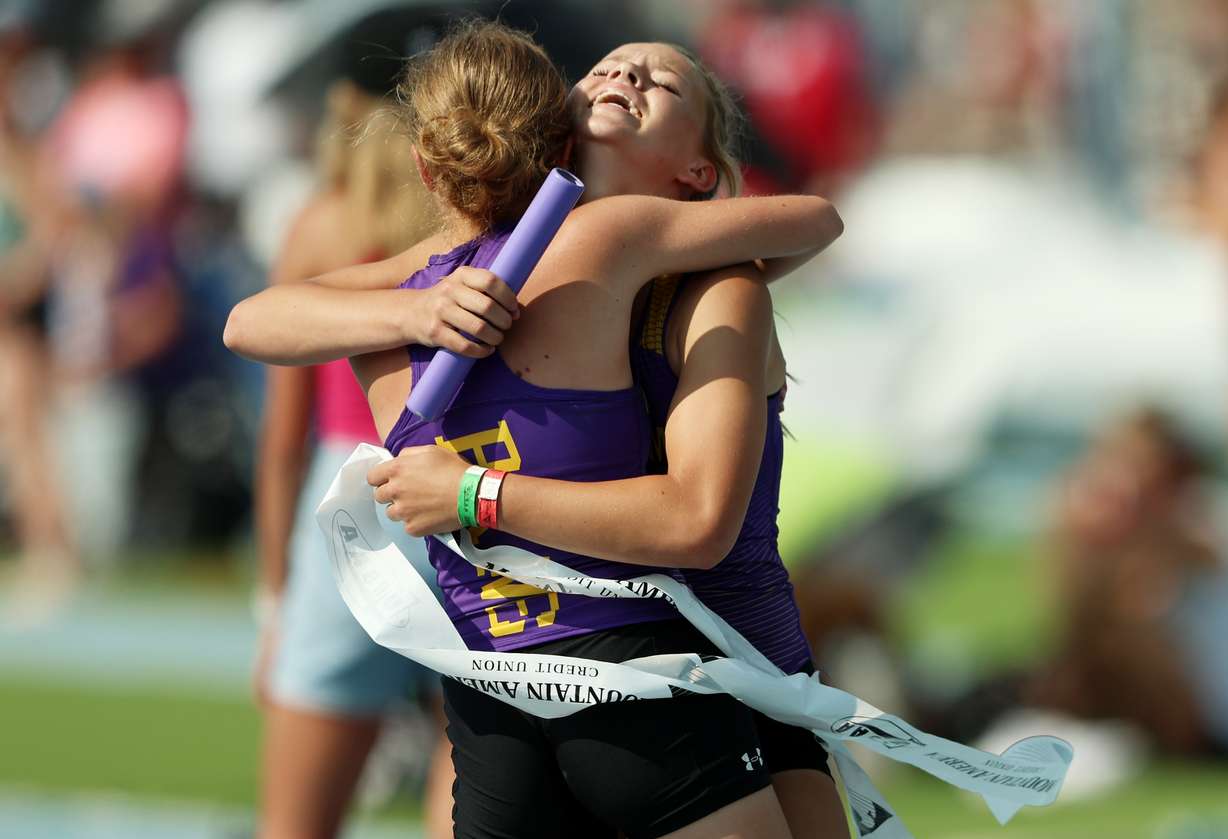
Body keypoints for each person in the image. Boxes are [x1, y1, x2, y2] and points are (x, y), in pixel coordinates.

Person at [225, 20, 842, 839]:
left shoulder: (704, 281)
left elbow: (698, 519)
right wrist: (417, 309)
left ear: (700, 169)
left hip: (733, 667)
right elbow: (253, 320)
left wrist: (473, 492)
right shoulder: (475, 265)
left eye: (665, 82)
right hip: (563, 685)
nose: (627, 69)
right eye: (610, 63)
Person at [251, 71, 450, 839]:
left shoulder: (324, 223)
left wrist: (272, 604)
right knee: (468, 778)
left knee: (298, 822)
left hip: (353, 503)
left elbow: (280, 442)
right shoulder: (479, 222)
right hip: (462, 484)